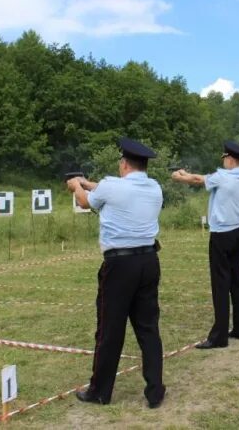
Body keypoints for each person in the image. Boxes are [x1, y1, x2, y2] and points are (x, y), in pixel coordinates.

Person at [67, 137, 166, 409]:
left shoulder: (112, 186)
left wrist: (77, 186)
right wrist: (90, 183)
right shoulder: (154, 187)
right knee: (148, 328)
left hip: (119, 266)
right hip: (148, 260)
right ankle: (155, 391)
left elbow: (87, 202)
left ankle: (100, 390)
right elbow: (113, 190)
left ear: (123, 164)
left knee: (110, 329)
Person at [171, 140, 239, 348]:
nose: (224, 162)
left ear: (230, 159)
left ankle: (219, 336)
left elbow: (198, 180)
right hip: (238, 232)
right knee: (237, 282)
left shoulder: (224, 176)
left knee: (220, 285)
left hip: (221, 235)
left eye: (225, 158)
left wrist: (179, 176)